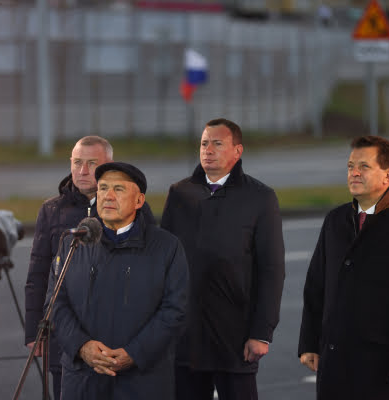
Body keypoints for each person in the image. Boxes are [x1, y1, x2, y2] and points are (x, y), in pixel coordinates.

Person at [298, 136, 389, 400]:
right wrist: (309, 343)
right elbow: (316, 286)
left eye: (364, 167)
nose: (354, 172)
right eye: (350, 166)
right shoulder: (334, 220)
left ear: (387, 176)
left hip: (383, 368)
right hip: (333, 367)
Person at [161, 118, 285, 400]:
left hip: (235, 333)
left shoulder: (260, 197)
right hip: (186, 334)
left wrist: (261, 332)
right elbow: (163, 262)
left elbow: (272, 269)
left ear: (237, 152)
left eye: (217, 144)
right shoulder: (180, 193)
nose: (208, 150)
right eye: (204, 143)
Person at [24, 136, 156, 400]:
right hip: (66, 338)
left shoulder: (135, 208)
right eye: (77, 163)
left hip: (119, 338)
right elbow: (38, 275)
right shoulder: (51, 211)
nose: (82, 171)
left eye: (91, 164)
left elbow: (150, 271)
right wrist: (34, 331)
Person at [50, 162, 189, 400]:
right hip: (83, 380)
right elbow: (56, 305)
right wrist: (82, 347)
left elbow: (175, 310)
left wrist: (134, 353)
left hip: (142, 382)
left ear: (139, 201)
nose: (108, 196)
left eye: (119, 189)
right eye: (103, 188)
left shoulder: (167, 247)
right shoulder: (73, 243)